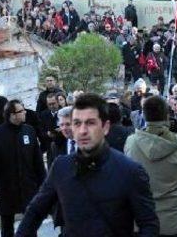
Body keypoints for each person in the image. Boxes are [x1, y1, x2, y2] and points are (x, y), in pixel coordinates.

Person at [16, 93, 159, 237]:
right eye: (77, 123)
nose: (83, 131)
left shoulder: (130, 171)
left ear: (105, 127)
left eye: (90, 123)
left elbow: (149, 224)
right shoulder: (61, 167)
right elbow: (35, 211)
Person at [125, 95, 177, 237]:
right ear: (167, 116)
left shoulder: (131, 143)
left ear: (144, 115)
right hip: (174, 222)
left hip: (142, 220)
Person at [0, 98, 46, 237]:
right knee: (7, 224)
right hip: (6, 186)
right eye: (21, 111)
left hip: (28, 185)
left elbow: (38, 160)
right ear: (12, 114)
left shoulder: (29, 131)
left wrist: (44, 183)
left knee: (30, 223)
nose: (25, 113)